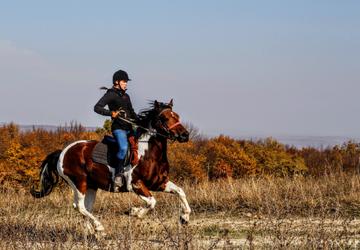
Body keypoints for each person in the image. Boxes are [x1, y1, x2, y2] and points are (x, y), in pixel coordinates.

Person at [94, 69, 138, 189]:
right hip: (118, 128)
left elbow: (132, 112)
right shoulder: (110, 94)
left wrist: (139, 121)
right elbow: (97, 108)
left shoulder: (126, 96)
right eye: (124, 81)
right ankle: (118, 174)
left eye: (126, 82)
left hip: (129, 128)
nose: (126, 84)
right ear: (117, 82)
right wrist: (110, 113)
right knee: (123, 148)